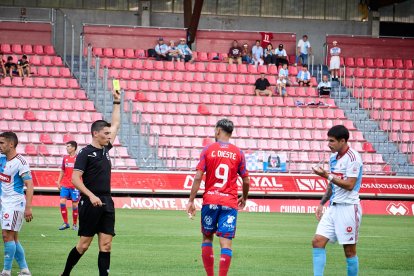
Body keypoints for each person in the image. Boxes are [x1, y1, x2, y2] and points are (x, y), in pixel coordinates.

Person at [61, 89, 121, 276]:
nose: (109, 136)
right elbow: (74, 178)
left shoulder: (105, 149)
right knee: (84, 245)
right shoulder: (85, 153)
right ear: (96, 134)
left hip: (106, 201)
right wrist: (91, 195)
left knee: (106, 244)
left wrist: (116, 102)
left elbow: (116, 123)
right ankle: (65, 274)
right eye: (105, 133)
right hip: (89, 202)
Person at [186, 119, 250, 276]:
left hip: (211, 201)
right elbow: (246, 179)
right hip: (229, 202)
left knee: (207, 239)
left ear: (218, 131)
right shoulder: (238, 153)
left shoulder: (208, 150)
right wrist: (245, 197)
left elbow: (198, 176)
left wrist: (191, 200)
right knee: (226, 243)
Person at [311, 125, 363, 276]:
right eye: (328, 140)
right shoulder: (333, 157)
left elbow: (350, 185)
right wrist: (322, 203)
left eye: (332, 141)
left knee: (349, 251)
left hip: (348, 208)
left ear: (342, 141)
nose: (329, 144)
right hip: (333, 207)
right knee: (317, 242)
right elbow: (332, 183)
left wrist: (327, 175)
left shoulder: (353, 158)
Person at [0, 132, 34, 276]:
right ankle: (25, 270)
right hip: (4, 203)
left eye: (2, 143)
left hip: (15, 204)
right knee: (12, 238)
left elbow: (30, 185)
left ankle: (6, 271)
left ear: (11, 144)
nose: (0, 146)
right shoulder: (1, 159)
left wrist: (28, 208)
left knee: (6, 236)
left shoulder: (21, 162)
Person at [57, 141, 79, 231]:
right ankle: (66, 223)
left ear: (73, 148)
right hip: (65, 184)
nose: (67, 148)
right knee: (62, 202)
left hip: (75, 185)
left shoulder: (78, 158)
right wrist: (59, 182)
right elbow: (62, 170)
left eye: (68, 146)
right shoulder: (65, 158)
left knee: (74, 205)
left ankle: (74, 224)